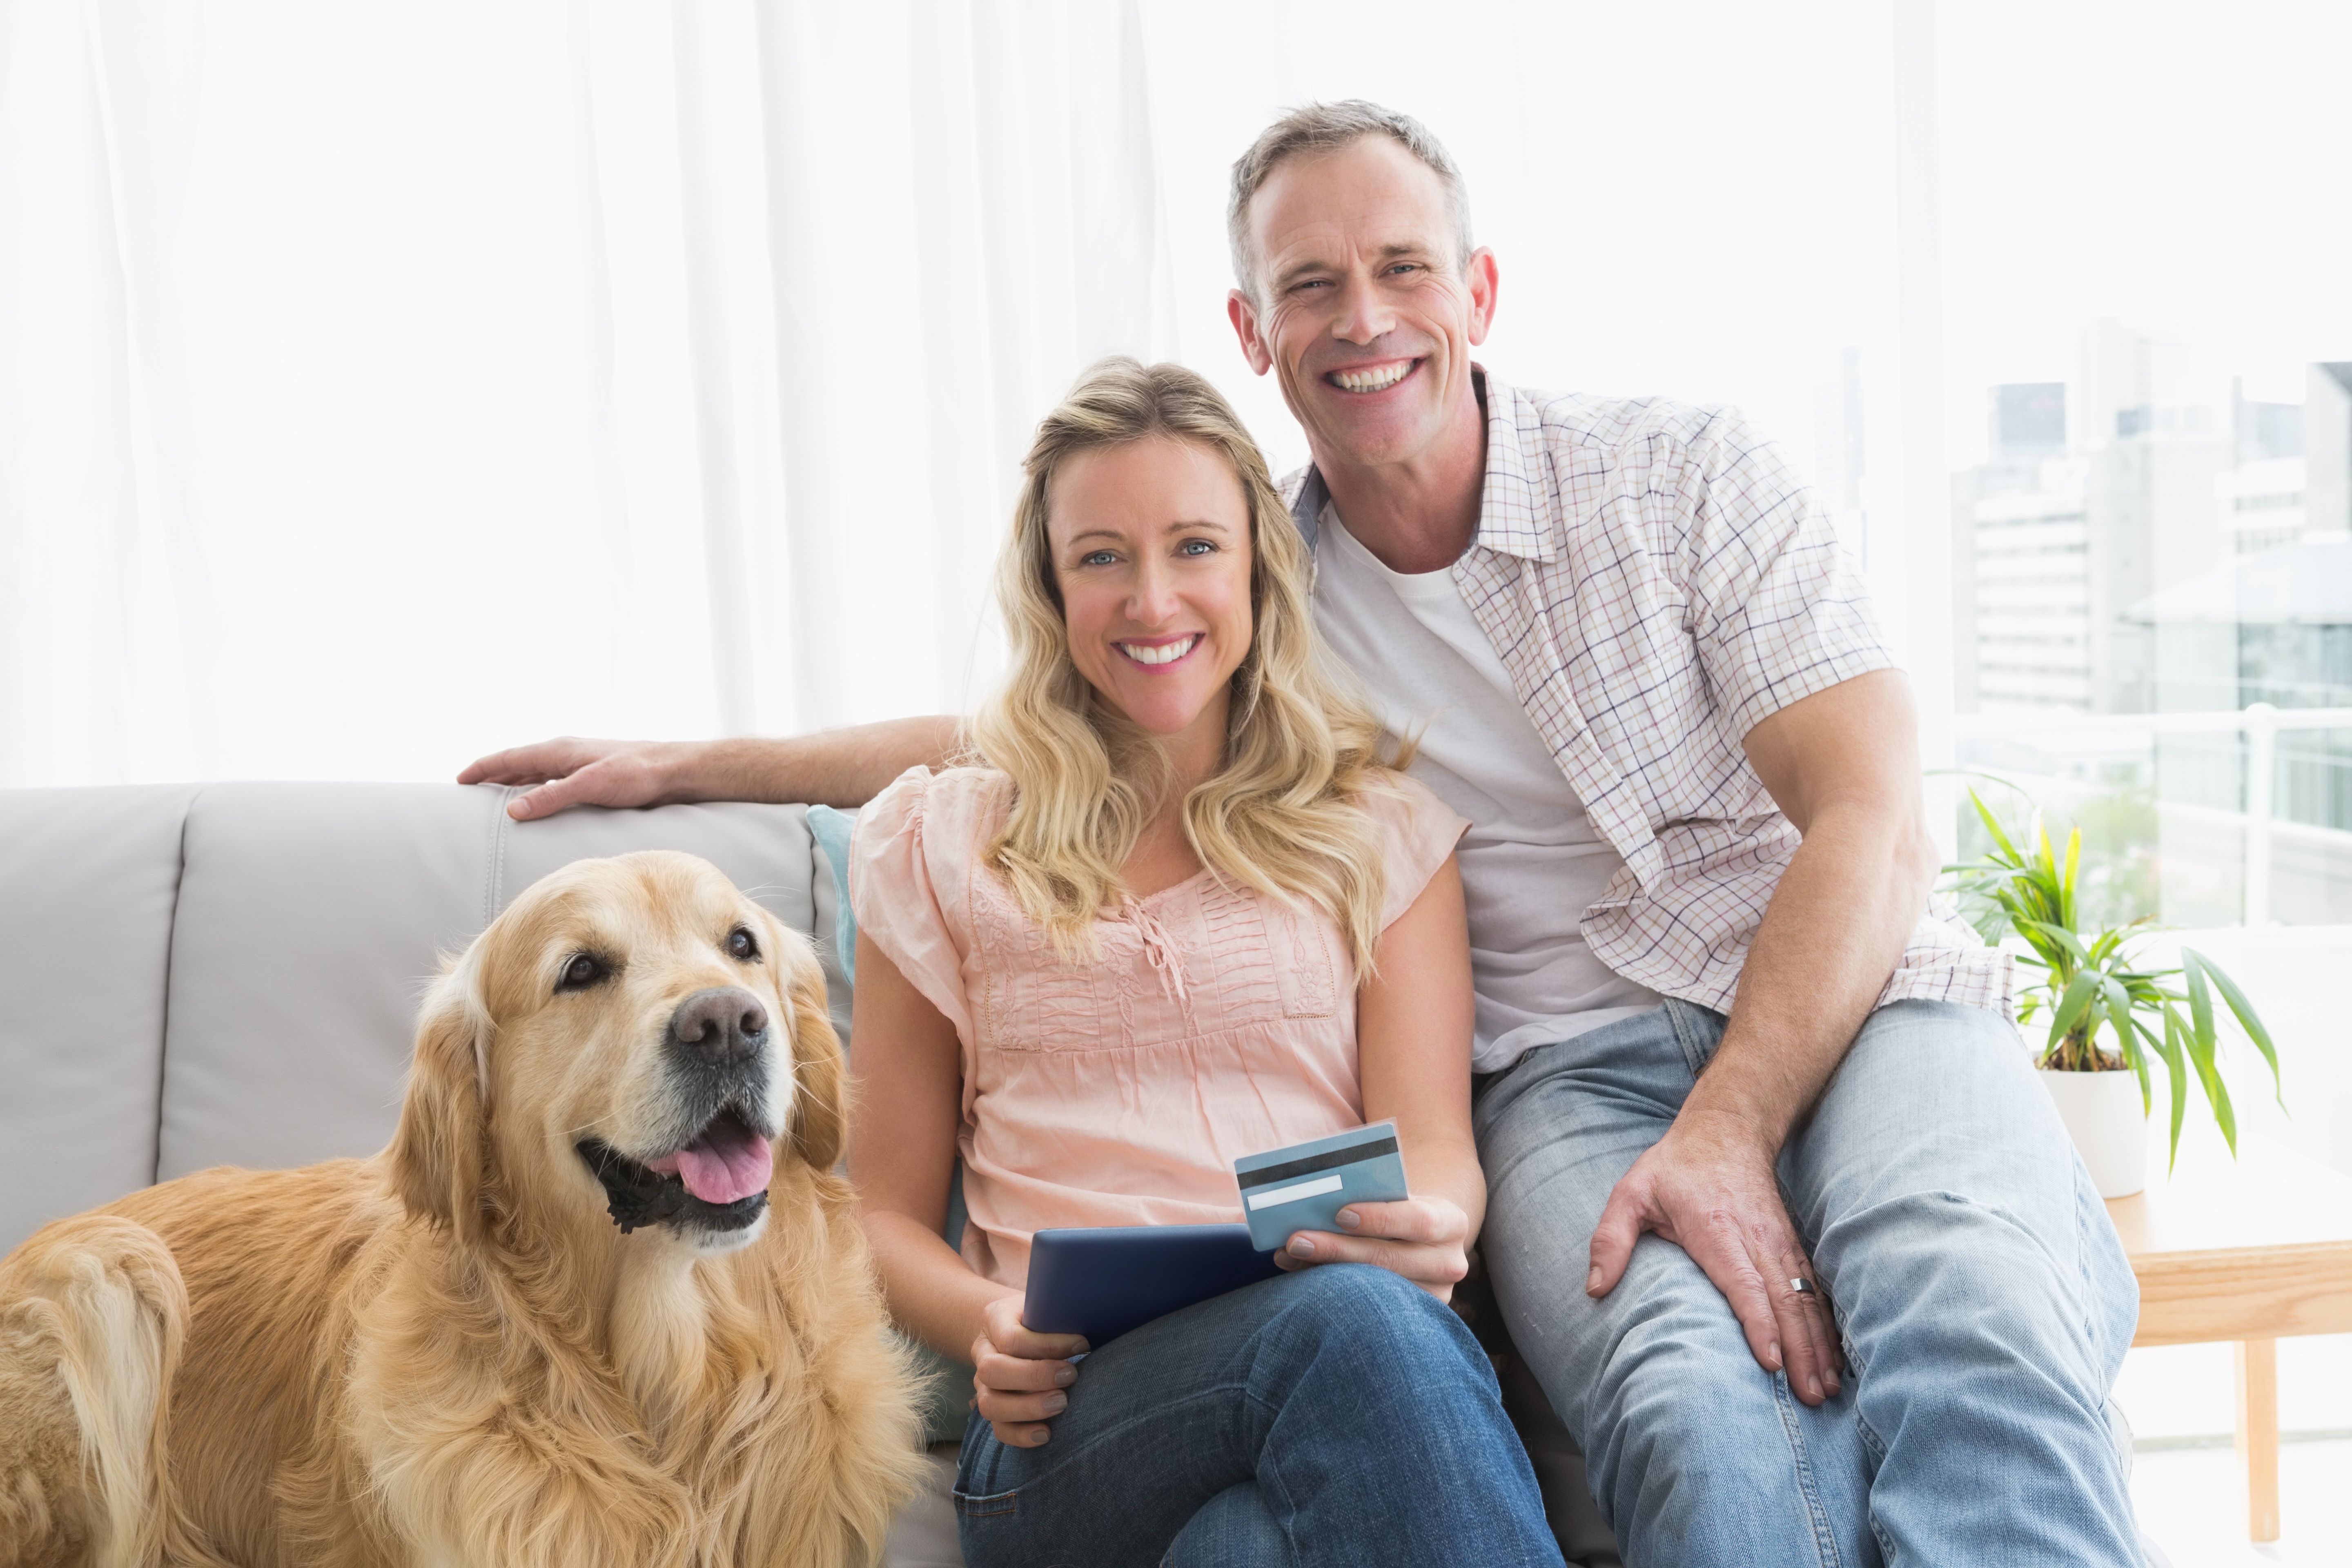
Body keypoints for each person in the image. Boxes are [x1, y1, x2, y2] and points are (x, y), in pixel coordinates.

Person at [463, 105, 2144, 1566]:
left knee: (1964, 1306)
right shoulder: (1181, 657)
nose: (1365, 319)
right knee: (1644, 1405)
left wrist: (1566, 1173)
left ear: (1477, 292)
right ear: (1256, 330)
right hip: (1439, 1156)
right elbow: (1020, 741)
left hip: (1839, 998)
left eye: (1404, 269)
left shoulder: (1660, 498)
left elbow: (1865, 808)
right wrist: (695, 758)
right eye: (1311, 286)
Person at [840, 357, 1561, 1567]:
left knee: (1247, 1547)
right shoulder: (945, 844)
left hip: (1331, 1366)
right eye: (1102, 557)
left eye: (1193, 548)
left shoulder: (1377, 832)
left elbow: (1431, 1137)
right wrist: (986, 1326)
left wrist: (1435, 1218)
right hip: (1062, 1426)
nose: (1152, 600)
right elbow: (873, 1213)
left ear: (1257, 570)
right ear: (1051, 587)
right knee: (1353, 1332)